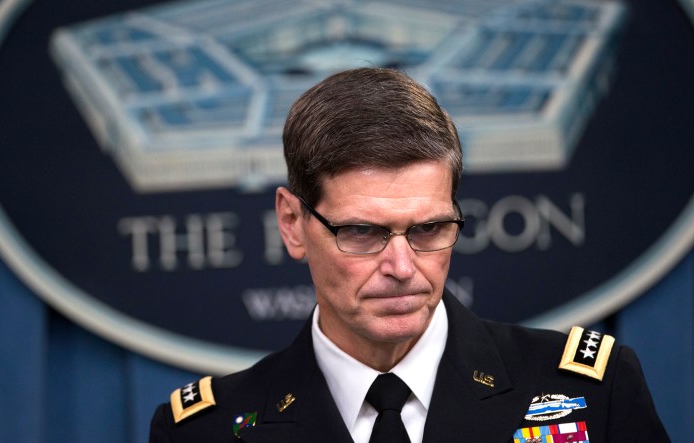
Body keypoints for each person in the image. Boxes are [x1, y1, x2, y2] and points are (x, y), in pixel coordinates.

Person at [149, 68, 669, 442]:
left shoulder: (591, 392)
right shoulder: (207, 430)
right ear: (293, 224)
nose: (402, 267)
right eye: (361, 232)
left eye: (429, 228)